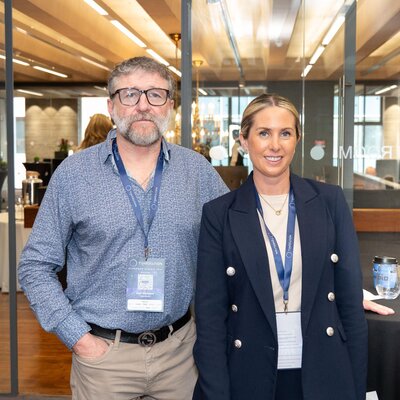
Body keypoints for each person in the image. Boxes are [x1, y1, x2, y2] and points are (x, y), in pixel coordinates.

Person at [18, 56, 227, 400]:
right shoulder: (73, 175)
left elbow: (233, 243)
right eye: (130, 94)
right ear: (111, 106)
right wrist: (79, 338)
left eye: (155, 94)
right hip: (103, 358)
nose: (143, 105)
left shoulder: (197, 172)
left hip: (180, 354)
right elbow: (35, 266)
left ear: (170, 105)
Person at [193, 93, 368, 400]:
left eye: (285, 133)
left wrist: (355, 389)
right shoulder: (219, 214)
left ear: (297, 139)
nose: (275, 145)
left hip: (323, 371)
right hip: (248, 374)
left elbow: (350, 307)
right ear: (244, 141)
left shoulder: (329, 202)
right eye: (264, 133)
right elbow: (210, 318)